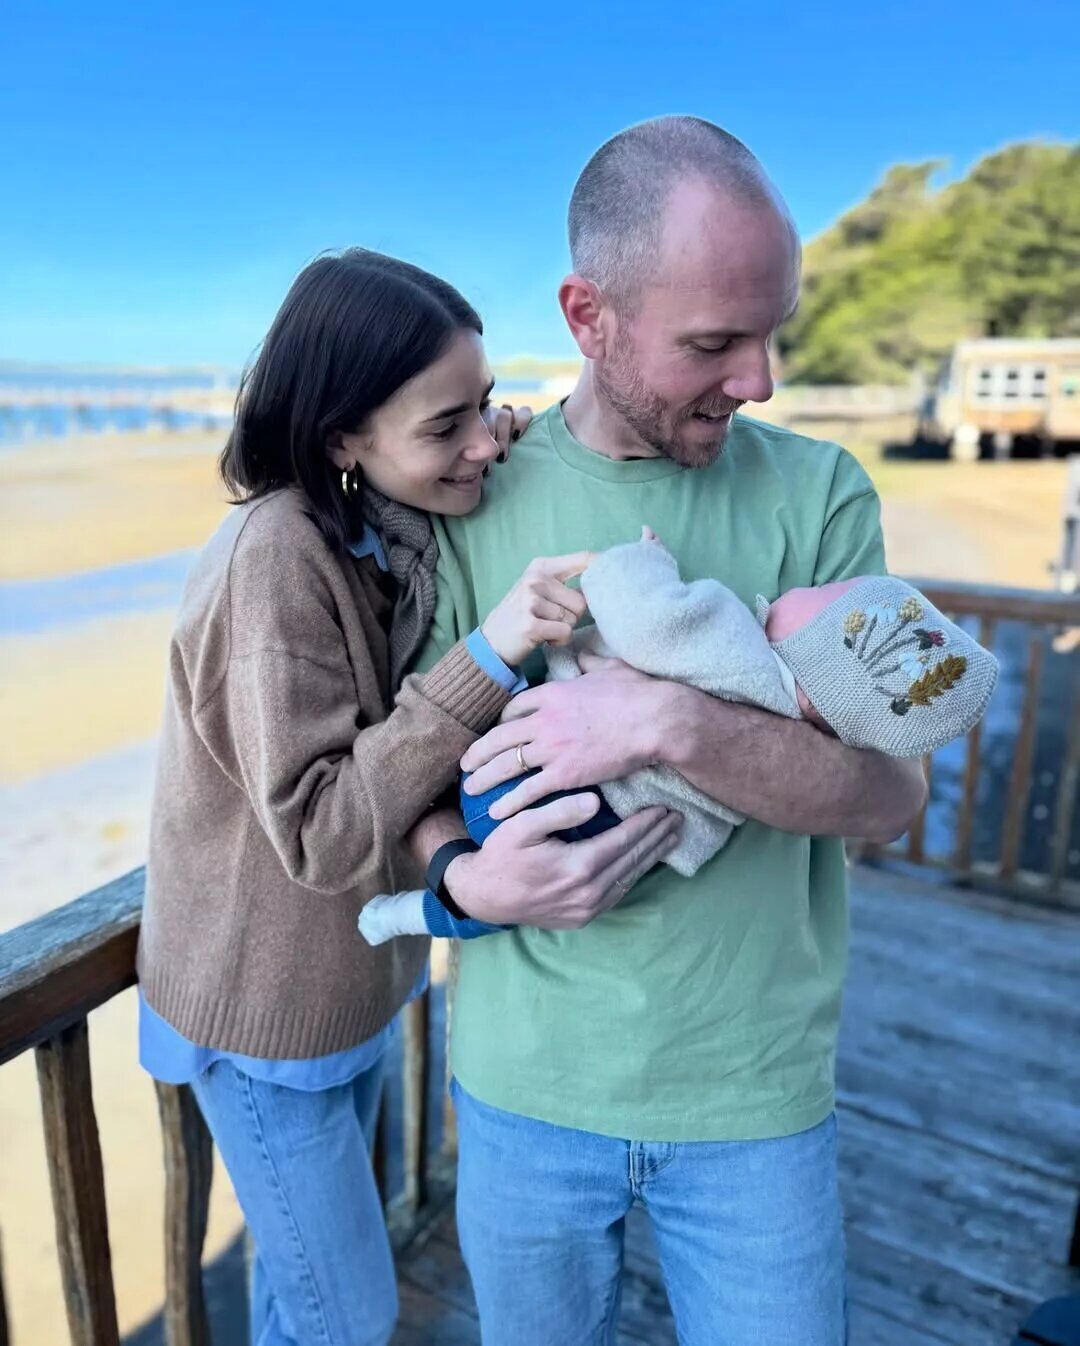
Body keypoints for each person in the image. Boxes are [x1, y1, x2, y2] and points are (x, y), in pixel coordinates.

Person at [406, 117, 930, 1345]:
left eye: (773, 329)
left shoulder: (823, 494)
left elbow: (891, 796)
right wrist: (459, 870)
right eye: (714, 341)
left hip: (757, 1098)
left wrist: (664, 717)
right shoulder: (471, 495)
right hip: (521, 1088)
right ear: (588, 316)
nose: (760, 379)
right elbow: (401, 772)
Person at [135, 247, 681, 1346]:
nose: (480, 441)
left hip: (354, 986)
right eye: (446, 427)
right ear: (341, 434)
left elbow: (417, 572)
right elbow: (326, 828)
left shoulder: (370, 522)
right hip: (260, 1015)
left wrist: (492, 445)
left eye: (485, 405)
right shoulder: (273, 554)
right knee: (348, 1312)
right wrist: (490, 649)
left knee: (300, 1298)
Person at [360, 532, 997, 944]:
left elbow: (643, 614)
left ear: (817, 657)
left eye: (827, 596)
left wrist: (642, 560)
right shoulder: (798, 724)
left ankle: (418, 909)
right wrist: (463, 881)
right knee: (494, 909)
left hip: (517, 781)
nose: (812, 585)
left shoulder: (733, 639)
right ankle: (411, 917)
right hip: (602, 843)